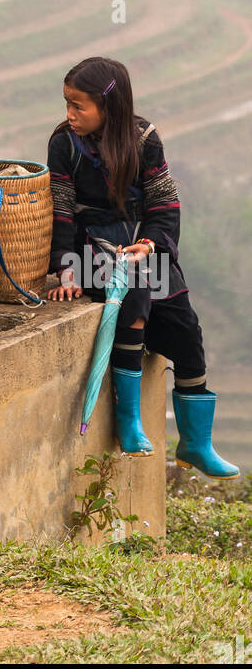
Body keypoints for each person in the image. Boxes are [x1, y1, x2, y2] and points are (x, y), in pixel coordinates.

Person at [46, 55, 238, 478]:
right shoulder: (63, 144)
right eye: (67, 104)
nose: (70, 115)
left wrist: (151, 245)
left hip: (144, 246)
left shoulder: (144, 139)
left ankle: (195, 444)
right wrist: (65, 269)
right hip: (90, 246)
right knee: (131, 293)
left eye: (78, 106)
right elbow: (60, 211)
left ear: (108, 106)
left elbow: (165, 203)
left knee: (187, 329)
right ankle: (129, 421)